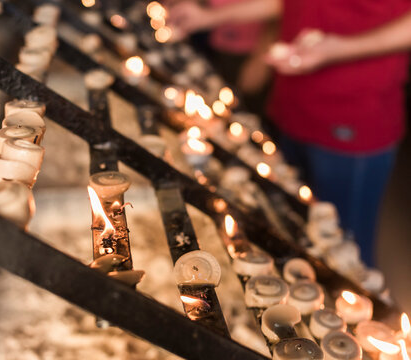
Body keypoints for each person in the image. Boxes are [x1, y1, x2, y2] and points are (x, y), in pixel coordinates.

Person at [167, 0, 411, 266]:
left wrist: (340, 48)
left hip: (353, 116)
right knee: (289, 229)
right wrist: (210, 17)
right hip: (293, 104)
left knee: (346, 253)